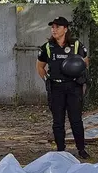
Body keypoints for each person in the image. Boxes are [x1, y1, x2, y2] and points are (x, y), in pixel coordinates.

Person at [37, 16, 90, 159]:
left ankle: (81, 149)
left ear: (65, 29)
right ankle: (61, 150)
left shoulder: (76, 45)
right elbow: (40, 67)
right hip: (56, 88)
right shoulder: (47, 47)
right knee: (58, 121)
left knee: (76, 119)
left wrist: (80, 74)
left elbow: (85, 62)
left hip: (73, 87)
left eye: (57, 27)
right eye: (52, 27)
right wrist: (47, 80)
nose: (54, 30)